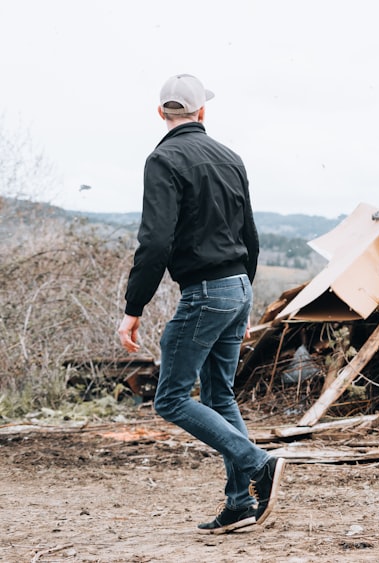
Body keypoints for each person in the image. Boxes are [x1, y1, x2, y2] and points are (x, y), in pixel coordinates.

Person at [117, 73, 286, 534]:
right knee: (217, 396)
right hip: (237, 288)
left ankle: (258, 464)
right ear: (202, 112)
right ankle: (239, 503)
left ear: (161, 114)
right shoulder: (230, 157)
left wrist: (134, 309)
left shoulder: (163, 158)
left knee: (171, 399)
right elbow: (250, 236)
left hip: (207, 292)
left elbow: (154, 243)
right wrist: (245, 300)